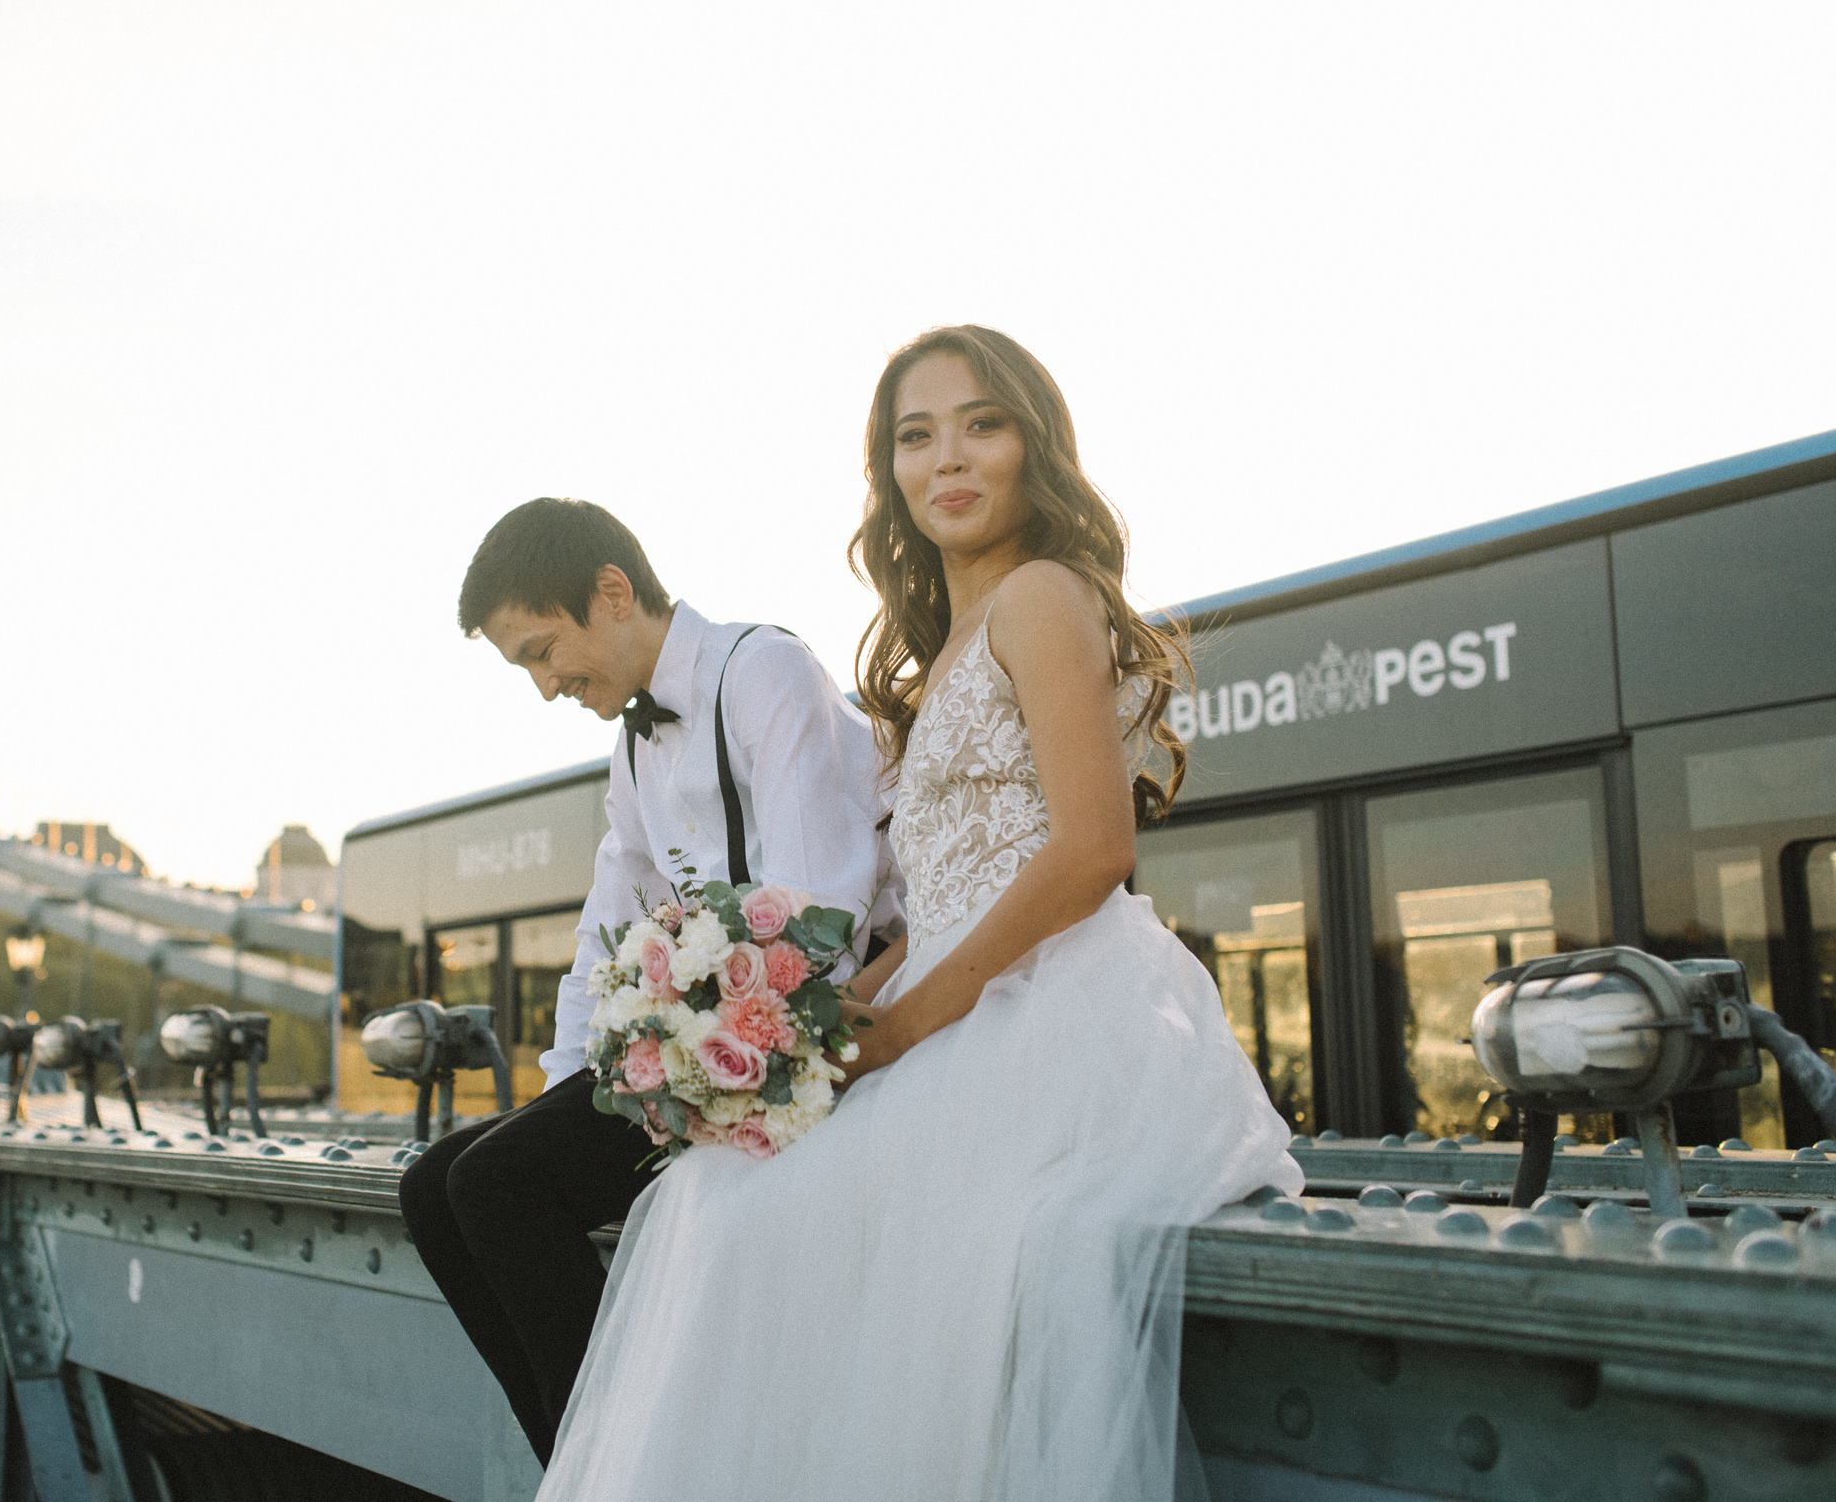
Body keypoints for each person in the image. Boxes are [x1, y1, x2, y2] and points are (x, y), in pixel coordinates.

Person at [537, 327, 1305, 1501]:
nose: (948, 455)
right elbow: (946, 879)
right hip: (956, 991)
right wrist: (854, 995)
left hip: (1049, 1005)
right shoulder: (946, 639)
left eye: (981, 423)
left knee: (752, 1222)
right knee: (721, 1202)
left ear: (1031, 445)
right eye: (915, 433)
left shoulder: (1043, 596)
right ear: (887, 470)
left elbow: (1094, 848)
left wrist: (908, 1018)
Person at [400, 497, 905, 1466]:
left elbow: (817, 909)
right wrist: (562, 1090)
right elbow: (605, 925)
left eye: (544, 651)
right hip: (715, 1044)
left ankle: (623, 1461)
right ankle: (585, 1458)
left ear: (613, 591)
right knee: (434, 1185)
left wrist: (703, 1045)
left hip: (812, 1037)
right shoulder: (634, 744)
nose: (547, 684)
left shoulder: (762, 670)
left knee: (496, 1184)